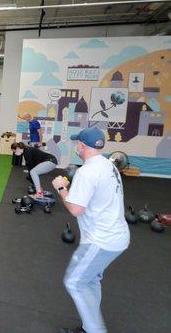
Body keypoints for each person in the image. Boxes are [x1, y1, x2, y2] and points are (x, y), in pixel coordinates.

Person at [51, 127, 130, 333]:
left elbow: (76, 209)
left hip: (101, 240)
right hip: (117, 236)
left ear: (81, 146)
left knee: (75, 282)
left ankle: (95, 330)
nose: (77, 146)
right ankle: (89, 327)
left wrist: (61, 188)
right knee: (91, 280)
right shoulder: (108, 165)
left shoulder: (86, 172)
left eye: (78, 143)